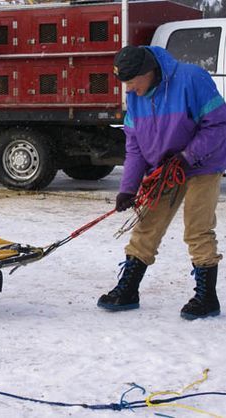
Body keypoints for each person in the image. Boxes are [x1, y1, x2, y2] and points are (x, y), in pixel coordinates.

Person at [98, 45, 226, 319]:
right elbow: (134, 145)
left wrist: (187, 156)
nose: (129, 89)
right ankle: (129, 289)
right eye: (125, 84)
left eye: (131, 82)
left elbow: (218, 124)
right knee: (147, 223)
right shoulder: (135, 97)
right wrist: (128, 188)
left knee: (197, 227)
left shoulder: (192, 79)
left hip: (203, 164)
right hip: (165, 167)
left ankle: (207, 298)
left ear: (148, 72)